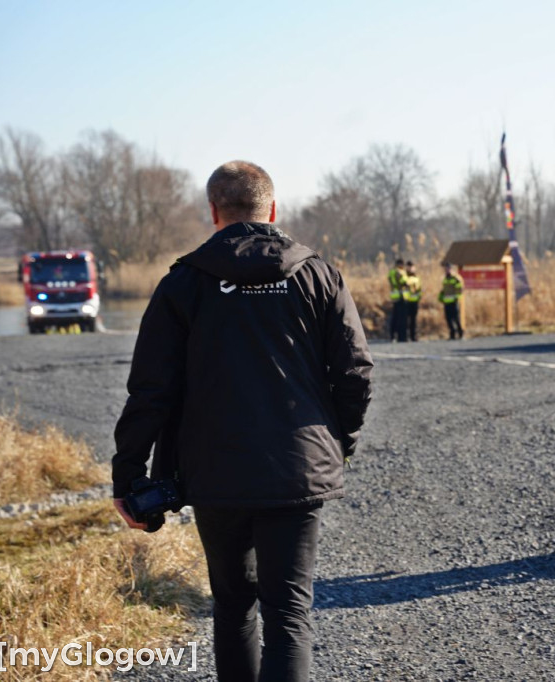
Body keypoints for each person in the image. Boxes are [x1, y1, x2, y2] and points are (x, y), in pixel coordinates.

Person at [111, 160, 373, 681]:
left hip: (215, 473)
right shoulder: (317, 274)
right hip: (298, 469)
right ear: (272, 209)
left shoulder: (183, 283)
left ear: (213, 212)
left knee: (232, 609)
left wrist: (128, 474)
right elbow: (355, 373)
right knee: (288, 614)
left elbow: (150, 391)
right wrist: (337, 440)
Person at [439, 261, 464, 340]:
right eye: (446, 268)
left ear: (451, 269)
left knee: (456, 318)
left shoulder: (456, 278)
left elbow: (460, 288)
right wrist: (441, 296)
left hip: (454, 301)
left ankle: (460, 332)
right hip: (446, 302)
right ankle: (452, 333)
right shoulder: (445, 278)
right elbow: (444, 290)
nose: (447, 269)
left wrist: (457, 297)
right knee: (448, 319)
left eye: (448, 268)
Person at [388, 257, 408, 342]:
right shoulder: (399, 272)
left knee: (395, 318)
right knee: (401, 319)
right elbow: (404, 282)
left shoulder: (391, 272)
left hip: (396, 297)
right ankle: (401, 337)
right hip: (400, 297)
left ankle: (393, 336)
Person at [403, 260, 422, 341]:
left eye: (412, 266)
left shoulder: (417, 278)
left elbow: (419, 289)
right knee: (406, 320)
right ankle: (405, 336)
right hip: (406, 302)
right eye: (409, 266)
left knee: (413, 320)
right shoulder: (404, 277)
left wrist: (418, 298)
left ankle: (413, 336)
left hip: (414, 301)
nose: (410, 268)